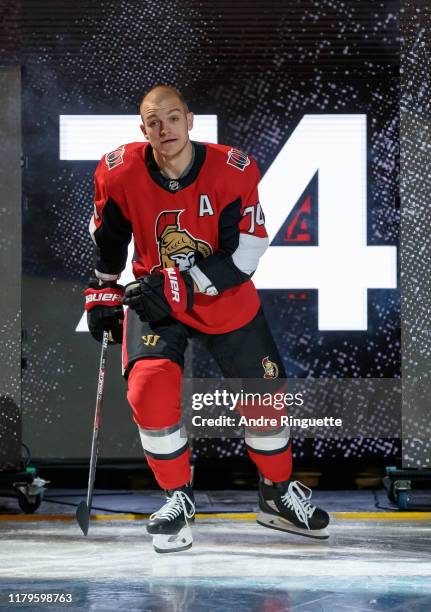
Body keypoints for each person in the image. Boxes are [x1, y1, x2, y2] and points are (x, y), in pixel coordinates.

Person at [84, 84, 330, 553]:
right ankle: (178, 498)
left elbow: (248, 252)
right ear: (143, 129)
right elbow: (110, 239)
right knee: (148, 390)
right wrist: (101, 292)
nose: (164, 129)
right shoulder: (118, 172)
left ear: (191, 120)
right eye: (154, 121)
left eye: (173, 118)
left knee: (264, 400)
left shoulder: (233, 170)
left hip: (222, 298)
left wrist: (181, 283)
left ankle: (277, 495)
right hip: (155, 302)